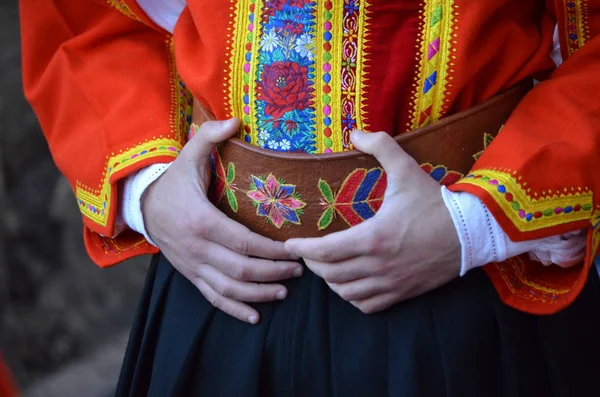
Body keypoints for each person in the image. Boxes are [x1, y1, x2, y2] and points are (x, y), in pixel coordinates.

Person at [20, 0, 600, 395]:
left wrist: (473, 226)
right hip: (216, 274)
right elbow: (79, 16)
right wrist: (150, 194)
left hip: (467, 287)